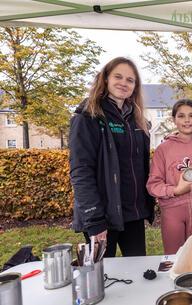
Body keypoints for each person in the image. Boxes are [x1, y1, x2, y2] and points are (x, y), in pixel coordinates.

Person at [69, 57, 154, 257]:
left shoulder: (136, 119)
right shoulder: (88, 116)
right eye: (118, 76)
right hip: (102, 216)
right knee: (101, 277)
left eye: (130, 80)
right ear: (105, 79)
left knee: (136, 274)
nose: (124, 83)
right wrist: (94, 220)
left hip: (133, 213)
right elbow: (81, 171)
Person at [147, 99, 192, 254]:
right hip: (172, 211)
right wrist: (176, 190)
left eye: (191, 115)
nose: (186, 120)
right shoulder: (163, 149)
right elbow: (153, 185)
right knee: (174, 256)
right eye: (181, 116)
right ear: (174, 119)